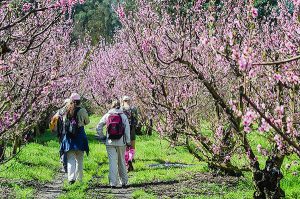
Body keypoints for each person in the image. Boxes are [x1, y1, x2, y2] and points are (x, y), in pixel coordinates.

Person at [96, 100, 131, 188]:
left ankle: (113, 183)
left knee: (112, 162)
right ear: (120, 106)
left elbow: (98, 127)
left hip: (110, 142)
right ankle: (124, 182)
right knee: (121, 161)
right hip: (121, 142)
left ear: (112, 106)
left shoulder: (107, 115)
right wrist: (128, 142)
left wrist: (102, 137)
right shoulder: (123, 116)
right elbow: (127, 130)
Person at [60, 93, 90, 184]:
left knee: (70, 159)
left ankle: (71, 179)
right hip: (80, 136)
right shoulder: (82, 110)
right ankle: (79, 179)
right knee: (79, 160)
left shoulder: (66, 109)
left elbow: (62, 119)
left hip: (69, 137)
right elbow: (87, 121)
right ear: (79, 101)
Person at [50, 98, 71, 173]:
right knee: (67, 149)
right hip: (69, 133)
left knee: (62, 147)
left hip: (61, 132)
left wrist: (53, 129)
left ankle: (63, 161)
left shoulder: (60, 111)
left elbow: (53, 120)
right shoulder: (71, 111)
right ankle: (66, 164)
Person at [121, 96, 138, 171]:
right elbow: (136, 120)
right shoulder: (134, 109)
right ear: (129, 101)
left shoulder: (120, 109)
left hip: (123, 130)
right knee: (132, 147)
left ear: (123, 101)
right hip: (132, 129)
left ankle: (126, 162)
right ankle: (130, 159)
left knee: (125, 147)